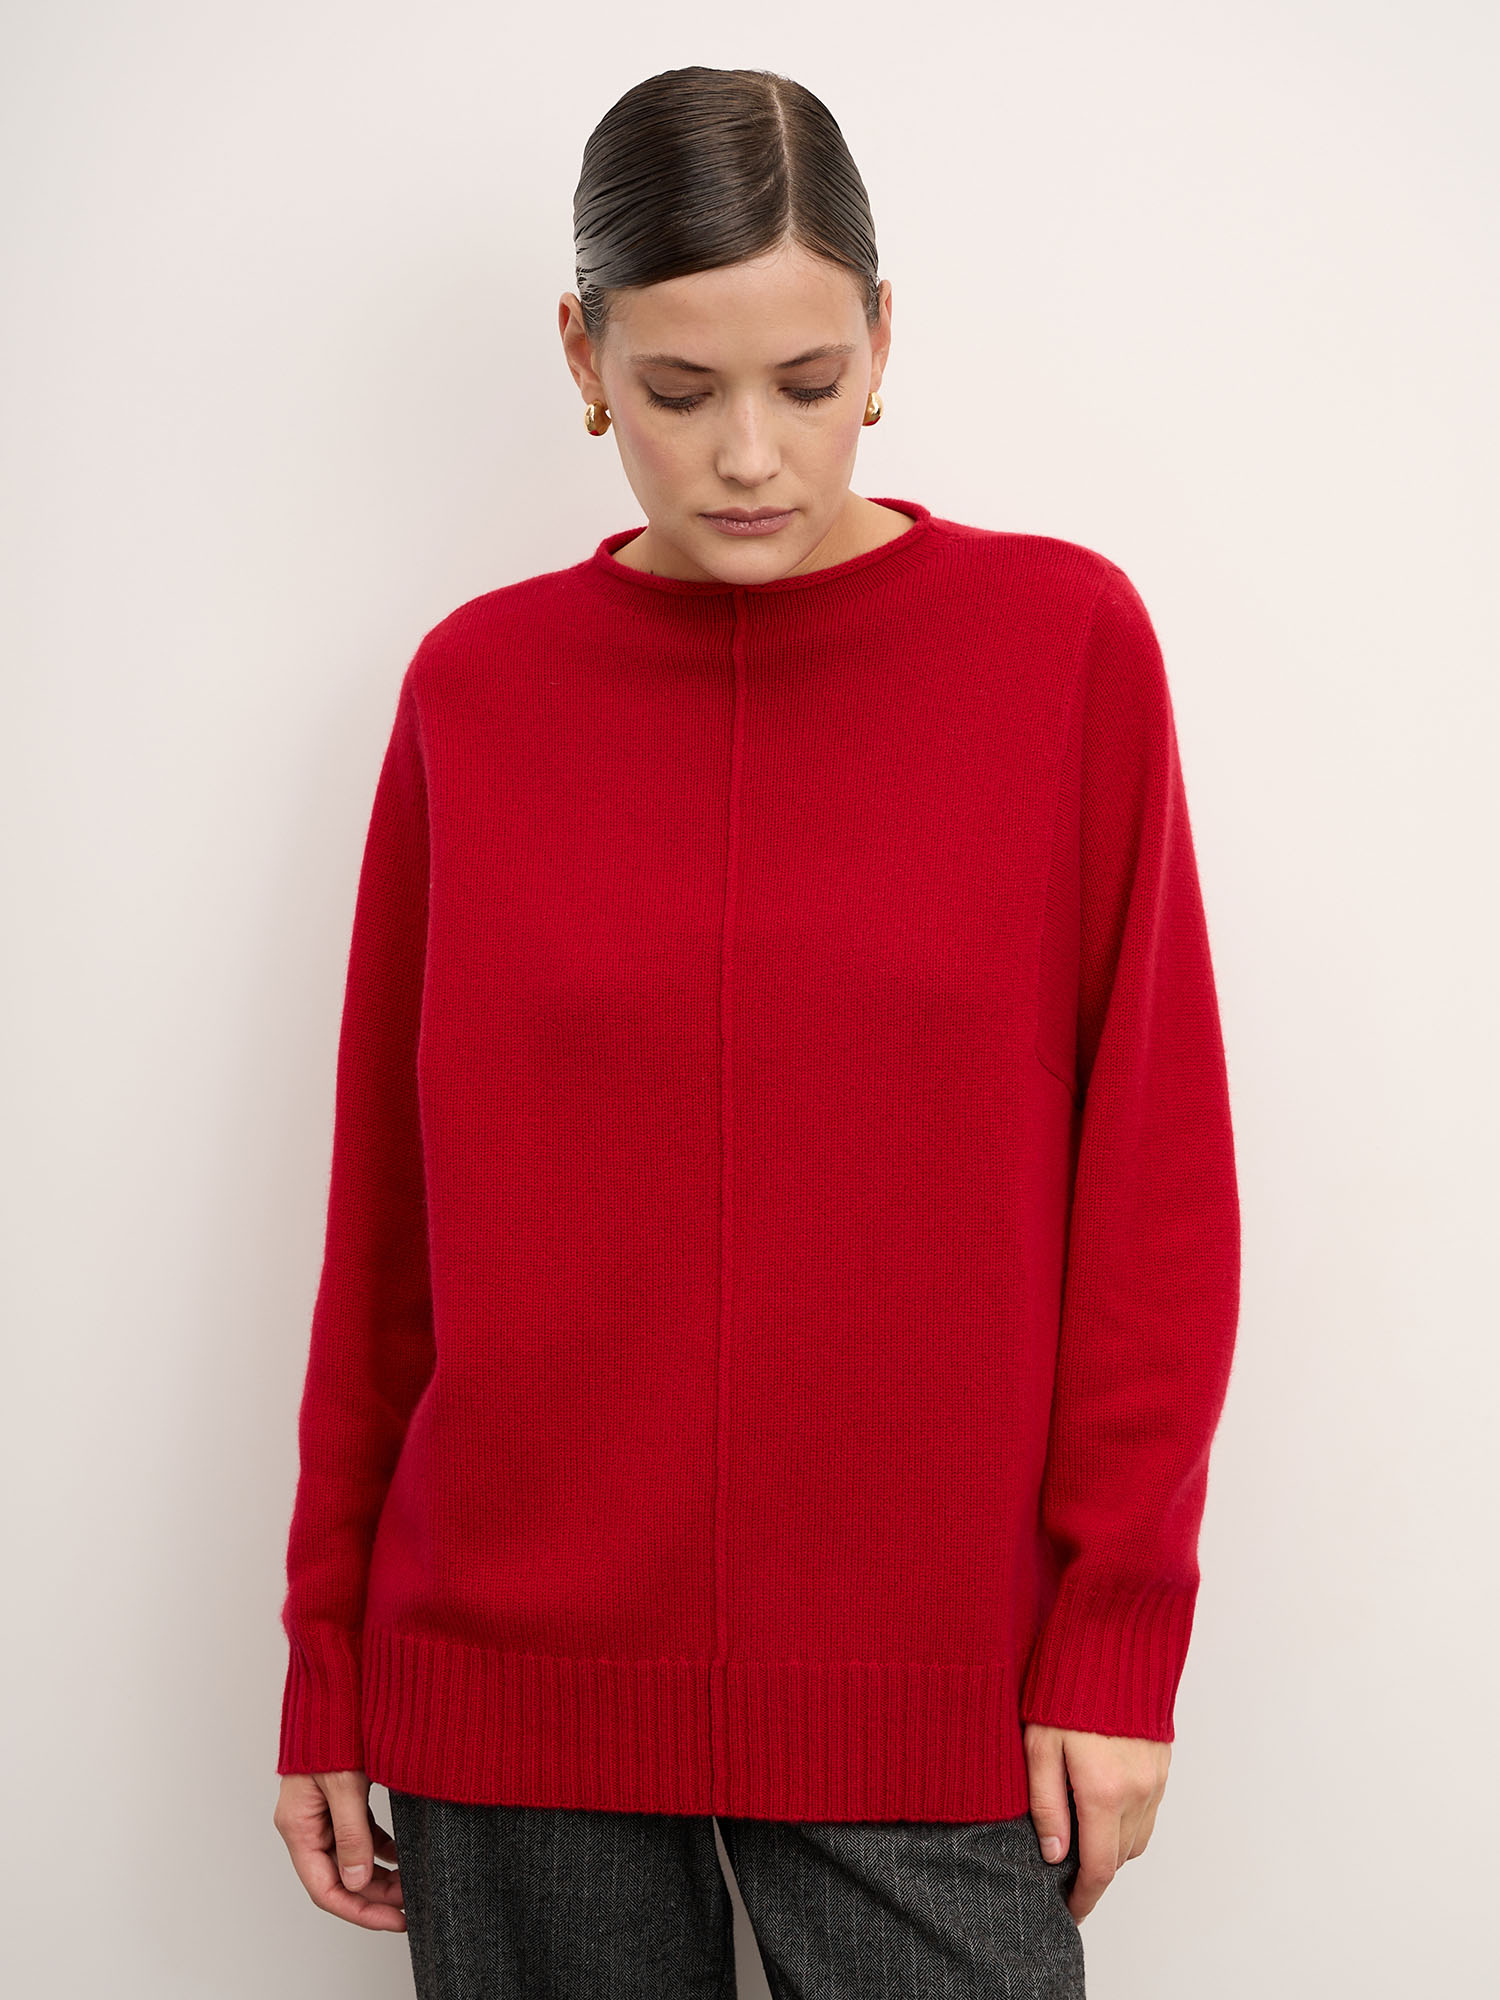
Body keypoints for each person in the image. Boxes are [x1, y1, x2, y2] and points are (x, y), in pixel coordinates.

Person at [272, 64, 1241, 2000]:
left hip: (933, 1688)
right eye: (677, 389)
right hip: (513, 1695)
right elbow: (388, 1227)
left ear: (884, 340)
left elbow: (1155, 1195)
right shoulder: (478, 691)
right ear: (583, 358)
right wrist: (327, 1656)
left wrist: (1118, 1635)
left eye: (805, 382)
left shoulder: (1063, 650)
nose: (747, 457)